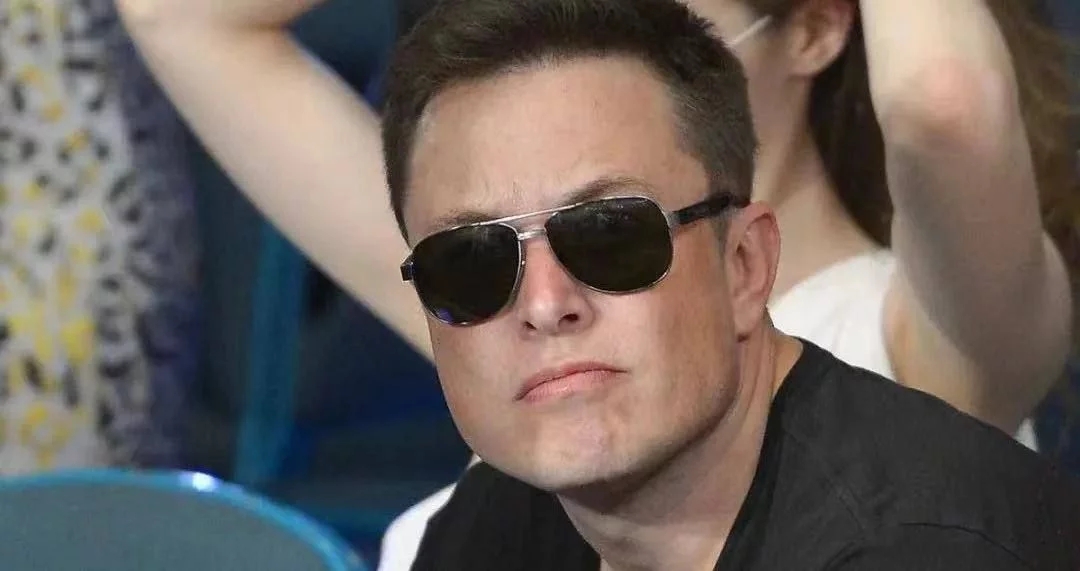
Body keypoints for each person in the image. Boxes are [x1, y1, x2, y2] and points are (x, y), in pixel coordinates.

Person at [114, 0, 1077, 565]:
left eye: (611, 235)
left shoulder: (933, 339)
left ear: (817, 27)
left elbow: (941, 103)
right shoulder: (513, 306)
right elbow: (181, 17)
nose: (547, 300)